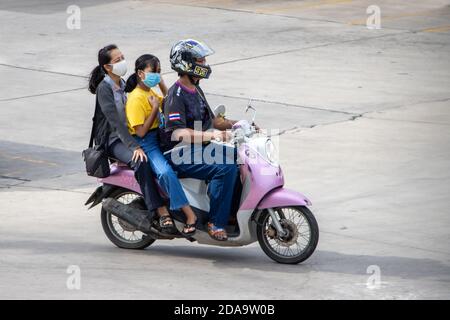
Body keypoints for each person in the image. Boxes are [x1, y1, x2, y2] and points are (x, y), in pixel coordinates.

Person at [88, 44, 174, 231]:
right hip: (113, 139)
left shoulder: (123, 83)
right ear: (107, 67)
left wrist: (160, 82)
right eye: (117, 60)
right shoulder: (105, 88)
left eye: (122, 57)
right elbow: (115, 122)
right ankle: (160, 212)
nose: (122, 62)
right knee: (141, 162)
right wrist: (134, 147)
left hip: (130, 134)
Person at [161, 39, 239, 241]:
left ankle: (231, 211)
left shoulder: (196, 89)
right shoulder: (175, 95)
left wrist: (238, 124)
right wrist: (211, 135)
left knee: (241, 157)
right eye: (201, 60)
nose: (205, 64)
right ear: (186, 64)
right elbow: (178, 133)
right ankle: (215, 222)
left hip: (198, 147)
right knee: (225, 167)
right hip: (179, 153)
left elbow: (214, 120)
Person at [124, 54, 197, 236]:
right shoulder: (136, 99)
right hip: (147, 142)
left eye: (159, 72)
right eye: (153, 72)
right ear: (141, 73)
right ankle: (189, 214)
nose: (156, 75)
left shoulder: (151, 92)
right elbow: (140, 132)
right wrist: (155, 108)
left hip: (160, 136)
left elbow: (169, 100)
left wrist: (161, 83)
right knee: (165, 172)